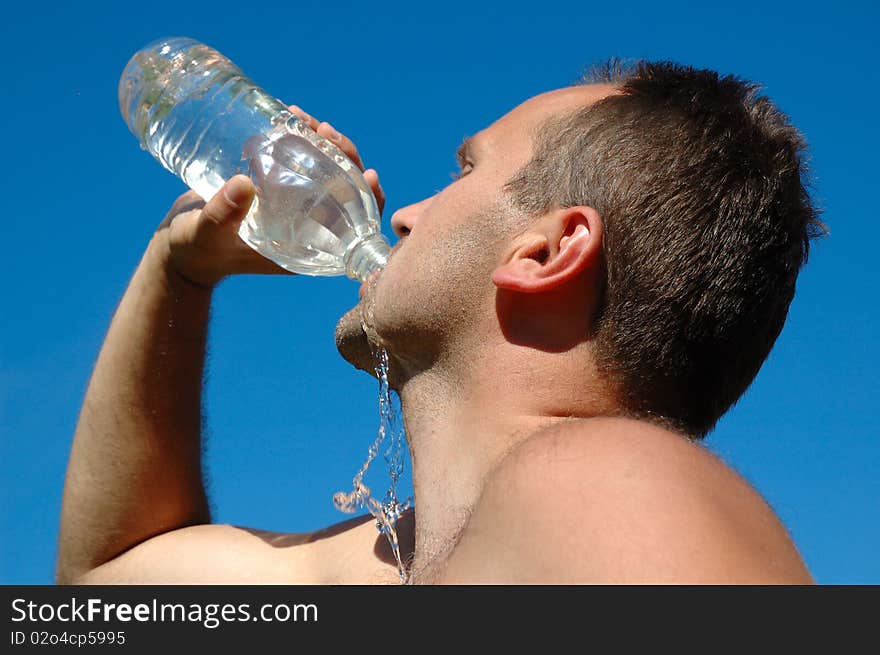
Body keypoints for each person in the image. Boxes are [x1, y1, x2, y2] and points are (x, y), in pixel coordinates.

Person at [56, 60, 823, 584]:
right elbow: (104, 589)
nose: (407, 214)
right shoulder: (393, 561)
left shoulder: (614, 486)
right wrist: (180, 270)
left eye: (466, 168)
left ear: (548, 250)